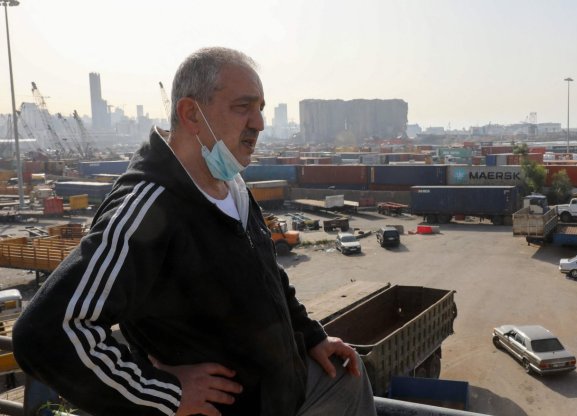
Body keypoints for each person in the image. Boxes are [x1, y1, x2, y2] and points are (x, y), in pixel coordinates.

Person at [13, 47, 376, 416]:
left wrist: (312, 336)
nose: (259, 123)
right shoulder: (148, 206)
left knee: (350, 375)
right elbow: (46, 333)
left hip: (284, 394)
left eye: (261, 107)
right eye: (243, 107)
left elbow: (267, 276)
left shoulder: (232, 186)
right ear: (191, 114)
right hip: (232, 409)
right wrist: (163, 393)